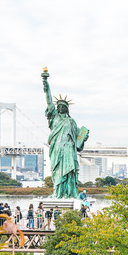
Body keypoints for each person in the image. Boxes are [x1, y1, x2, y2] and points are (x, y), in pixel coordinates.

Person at [42, 68, 89, 198]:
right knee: (57, 172)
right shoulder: (54, 117)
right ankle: (58, 192)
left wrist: (84, 137)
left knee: (69, 172)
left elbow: (78, 139)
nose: (61, 108)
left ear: (67, 109)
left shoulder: (71, 121)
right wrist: (45, 82)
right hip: (57, 149)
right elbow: (49, 100)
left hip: (69, 149)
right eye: (59, 106)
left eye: (63, 106)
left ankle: (69, 192)